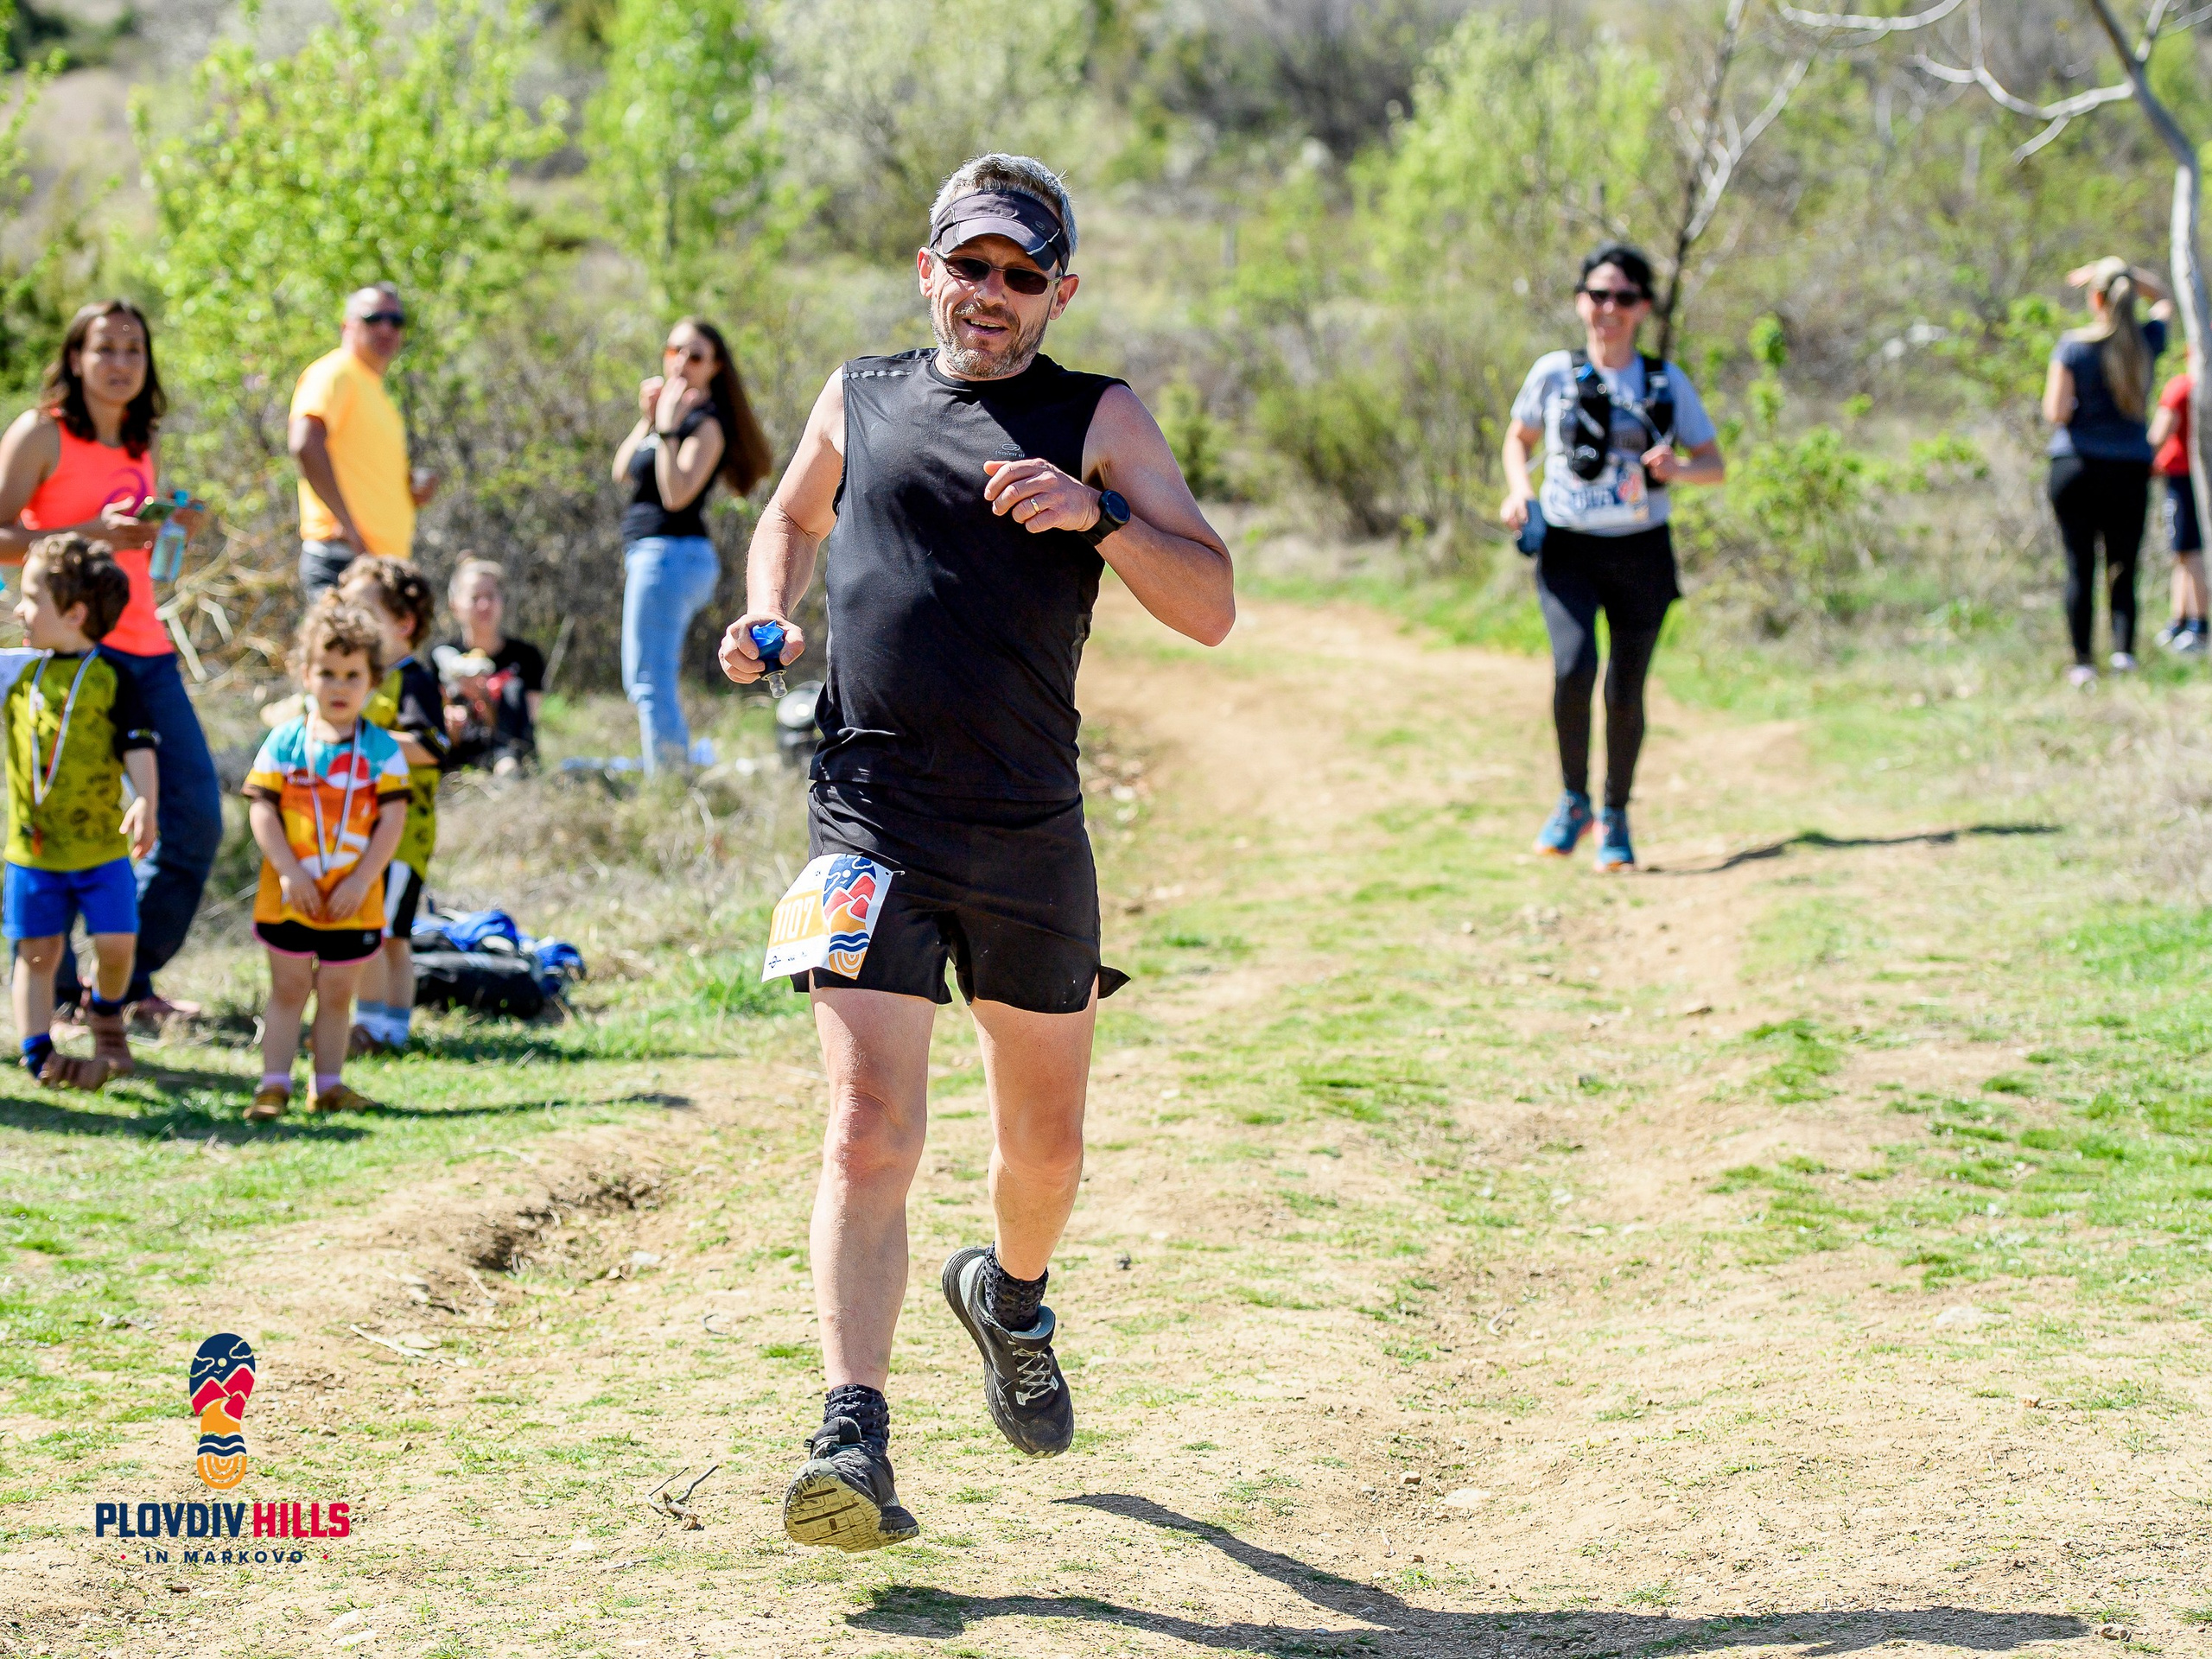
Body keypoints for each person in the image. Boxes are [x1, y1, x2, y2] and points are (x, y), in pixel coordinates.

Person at [719, 153, 1234, 1552]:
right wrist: (769, 612)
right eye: (970, 266)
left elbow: (1211, 607)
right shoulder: (861, 393)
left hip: (1025, 832)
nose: (990, 296)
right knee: (869, 1122)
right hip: (868, 816)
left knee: (1043, 1150)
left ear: (1059, 290)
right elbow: (789, 514)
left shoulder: (1096, 416)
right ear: (928, 269)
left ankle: (1008, 1296)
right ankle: (852, 1433)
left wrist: (1105, 517)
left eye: (1021, 274)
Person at [0, 298, 218, 1025]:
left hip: (145, 653)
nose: (121, 363)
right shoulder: (40, 433)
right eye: (106, 349)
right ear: (76, 358)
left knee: (193, 822)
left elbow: (133, 551)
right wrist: (86, 533)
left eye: (134, 349)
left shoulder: (138, 439)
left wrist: (167, 525)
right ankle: (52, 997)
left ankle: (123, 984)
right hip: (64, 665)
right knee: (60, 823)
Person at [1500, 244, 1725, 872]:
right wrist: (1520, 490)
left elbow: (1715, 465)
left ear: (1643, 308)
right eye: (1599, 295)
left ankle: (1615, 815)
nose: (1610, 308)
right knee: (1574, 669)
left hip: (1642, 553)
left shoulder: (1664, 382)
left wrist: (1680, 469)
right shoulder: (1553, 372)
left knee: (1624, 690)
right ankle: (1574, 801)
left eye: (1624, 298)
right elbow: (1518, 441)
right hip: (1568, 549)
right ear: (1580, 302)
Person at [240, 600, 410, 1123]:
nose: (340, 687)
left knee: (338, 994)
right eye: (327, 673)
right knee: (289, 989)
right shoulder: (284, 743)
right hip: (291, 895)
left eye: (352, 675)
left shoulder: (383, 750)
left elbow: (392, 822)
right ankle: (273, 1086)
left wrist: (362, 879)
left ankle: (329, 1085)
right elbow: (262, 811)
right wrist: (290, 871)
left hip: (353, 899)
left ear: (372, 680)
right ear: (305, 675)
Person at [4, 537, 158, 1090]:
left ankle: (106, 1010)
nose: (19, 611)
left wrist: (145, 800)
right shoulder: (15, 673)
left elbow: (139, 746)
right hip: (34, 850)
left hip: (100, 848)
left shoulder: (113, 676)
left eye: (29, 599)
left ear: (73, 614)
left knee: (117, 943)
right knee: (38, 952)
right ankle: (38, 1051)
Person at [611, 317, 772, 772]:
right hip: (652, 554)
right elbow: (622, 471)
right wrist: (649, 420)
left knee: (649, 680)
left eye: (695, 355)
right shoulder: (672, 417)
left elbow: (676, 494)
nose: (681, 362)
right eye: (673, 351)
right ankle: (672, 767)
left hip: (673, 555)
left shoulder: (707, 425)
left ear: (715, 367)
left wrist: (667, 429)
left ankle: (671, 781)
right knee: (643, 677)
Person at [337, 557, 452, 1055]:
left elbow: (432, 746)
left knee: (385, 935)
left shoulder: (415, 679)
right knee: (383, 932)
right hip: (363, 830)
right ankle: (384, 1028)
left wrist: (359, 738)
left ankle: (379, 1030)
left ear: (403, 623)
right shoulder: (363, 677)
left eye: (364, 612)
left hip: (404, 834)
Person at [2043, 256, 2171, 686]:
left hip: (2075, 467)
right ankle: (2123, 656)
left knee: (2080, 565)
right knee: (2123, 566)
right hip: (2129, 470)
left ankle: (2082, 663)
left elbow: (2056, 412)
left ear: (2095, 299)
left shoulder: (2074, 346)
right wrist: (2125, 271)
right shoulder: (2147, 341)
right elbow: (2166, 298)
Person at [288, 283, 439, 601]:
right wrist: (351, 530)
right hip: (345, 563)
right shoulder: (336, 372)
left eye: (396, 321)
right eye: (373, 318)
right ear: (347, 325)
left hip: (379, 568)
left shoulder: (377, 392)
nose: (386, 327)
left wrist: (409, 488)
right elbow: (304, 443)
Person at [431, 557, 544, 774]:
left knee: (512, 688)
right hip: (458, 761)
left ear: (502, 601)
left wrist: (484, 698)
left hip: (513, 754)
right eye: (475, 597)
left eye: (491, 596)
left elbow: (526, 724)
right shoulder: (441, 656)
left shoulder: (525, 656)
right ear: (454, 605)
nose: (484, 605)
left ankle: (507, 767)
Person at [2149, 356, 2202, 653]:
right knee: (2181, 551)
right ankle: (2178, 621)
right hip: (2190, 477)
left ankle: (2198, 625)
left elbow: (2158, 433)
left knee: (2188, 550)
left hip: (2183, 478)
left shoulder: (2181, 387)